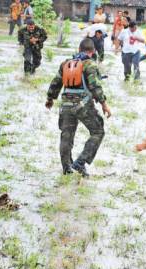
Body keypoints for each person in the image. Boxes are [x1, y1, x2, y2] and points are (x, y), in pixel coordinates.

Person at [45, 38, 112, 176]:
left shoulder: (65, 64)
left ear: (79, 49)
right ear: (92, 51)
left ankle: (66, 169)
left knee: (66, 137)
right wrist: (104, 104)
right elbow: (95, 86)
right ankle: (81, 162)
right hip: (83, 105)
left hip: (65, 105)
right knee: (98, 132)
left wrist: (50, 99)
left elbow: (55, 83)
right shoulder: (90, 65)